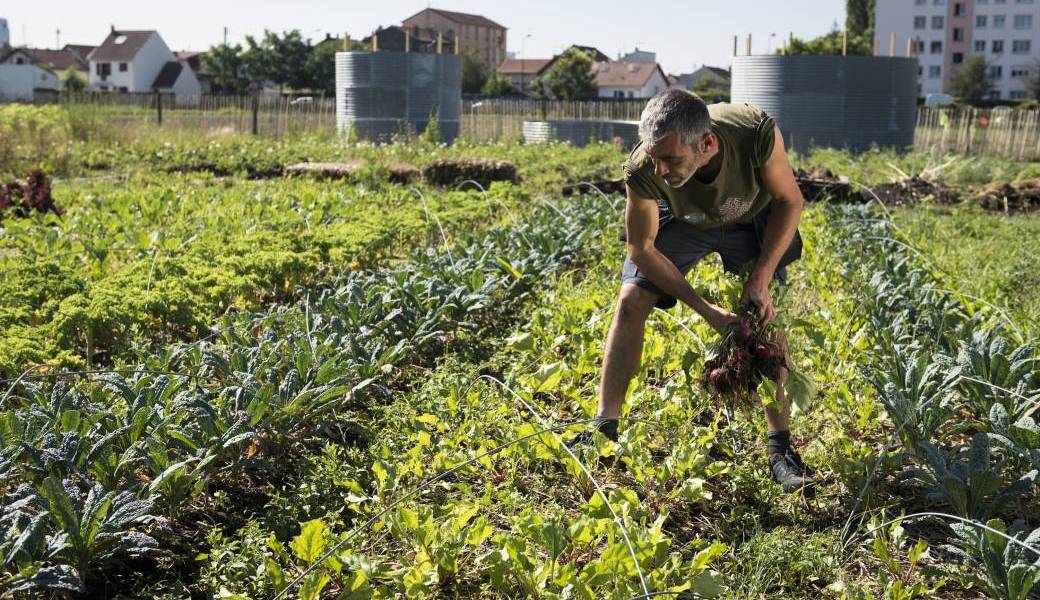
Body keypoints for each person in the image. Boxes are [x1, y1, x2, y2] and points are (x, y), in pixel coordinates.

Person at [572, 89, 812, 493]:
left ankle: (780, 449)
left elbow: (790, 201)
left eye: (671, 160)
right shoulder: (644, 168)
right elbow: (641, 249)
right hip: (686, 221)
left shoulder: (754, 133)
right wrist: (705, 309)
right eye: (654, 157)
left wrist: (761, 277)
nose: (660, 169)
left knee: (763, 321)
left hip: (753, 219)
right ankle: (603, 426)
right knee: (631, 300)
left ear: (707, 144)